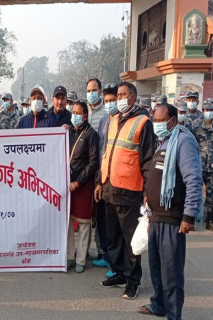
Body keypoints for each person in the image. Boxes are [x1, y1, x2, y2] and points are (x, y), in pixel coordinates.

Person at [137, 103, 202, 319]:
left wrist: (189, 215)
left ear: (172, 121)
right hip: (156, 217)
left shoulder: (183, 141)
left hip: (173, 219)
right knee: (156, 268)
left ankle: (174, 314)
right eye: (154, 119)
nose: (156, 123)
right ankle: (159, 304)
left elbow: (193, 179)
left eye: (159, 119)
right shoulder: (164, 142)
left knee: (172, 274)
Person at [96, 82, 155, 299]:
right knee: (113, 238)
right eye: (117, 94)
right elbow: (106, 154)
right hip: (109, 187)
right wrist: (99, 182)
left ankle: (133, 280)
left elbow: (148, 160)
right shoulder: (112, 121)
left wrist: (148, 193)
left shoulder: (143, 122)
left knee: (130, 240)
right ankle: (119, 272)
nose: (119, 98)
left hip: (130, 190)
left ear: (133, 97)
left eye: (123, 95)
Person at [67, 100, 99, 273]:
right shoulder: (70, 132)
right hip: (68, 184)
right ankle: (70, 257)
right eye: (73, 112)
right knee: (70, 223)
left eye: (78, 113)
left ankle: (81, 259)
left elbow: (93, 162)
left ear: (85, 116)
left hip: (83, 185)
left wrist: (78, 181)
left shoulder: (91, 134)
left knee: (84, 223)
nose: (75, 115)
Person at [93, 83, 119, 275]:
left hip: (117, 179)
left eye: (113, 101)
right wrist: (99, 181)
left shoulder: (124, 121)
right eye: (108, 101)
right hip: (102, 176)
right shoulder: (103, 121)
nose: (110, 104)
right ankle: (105, 256)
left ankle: (115, 263)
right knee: (101, 218)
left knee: (114, 224)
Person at [195, 101, 213, 231]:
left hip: (211, 168)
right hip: (198, 166)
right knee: (194, 193)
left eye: (211, 109)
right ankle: (192, 219)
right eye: (207, 109)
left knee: (211, 196)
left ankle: (210, 221)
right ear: (202, 110)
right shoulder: (196, 127)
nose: (209, 112)